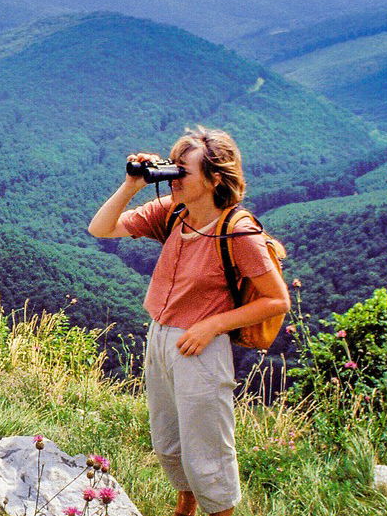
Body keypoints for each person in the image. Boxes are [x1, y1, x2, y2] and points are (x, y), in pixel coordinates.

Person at [86, 126, 289, 516]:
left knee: (207, 452)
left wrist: (212, 325)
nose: (174, 179)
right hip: (161, 335)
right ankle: (186, 505)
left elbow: (277, 300)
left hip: (201, 346)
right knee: (168, 441)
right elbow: (101, 228)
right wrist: (131, 185)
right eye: (173, 170)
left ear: (215, 180)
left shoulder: (238, 232)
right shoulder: (173, 212)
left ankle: (218, 510)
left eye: (184, 172)